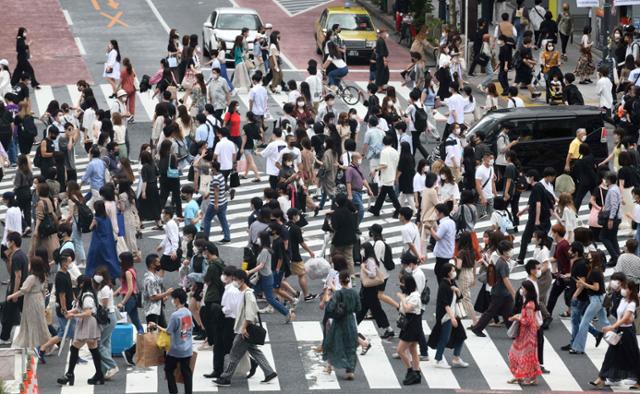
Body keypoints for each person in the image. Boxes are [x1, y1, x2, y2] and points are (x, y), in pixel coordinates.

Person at [214, 270, 278, 387]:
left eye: (235, 280)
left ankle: (225, 378)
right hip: (243, 328)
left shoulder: (248, 294)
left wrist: (243, 328)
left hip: (244, 329)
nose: (234, 282)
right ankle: (269, 372)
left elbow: (250, 313)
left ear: (242, 281)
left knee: (234, 353)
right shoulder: (242, 293)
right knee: (254, 350)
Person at [589, 281, 640, 389]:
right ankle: (601, 378)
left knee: (633, 357)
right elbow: (621, 317)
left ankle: (638, 381)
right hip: (620, 331)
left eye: (625, 288)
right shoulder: (622, 300)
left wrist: (611, 327)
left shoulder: (632, 303)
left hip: (628, 333)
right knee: (610, 355)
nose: (622, 290)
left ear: (630, 290)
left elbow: (626, 318)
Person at [56, 276, 105, 386]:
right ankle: (99, 374)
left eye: (79, 283)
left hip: (88, 322)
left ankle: (70, 374)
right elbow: (79, 308)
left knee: (75, 347)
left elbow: (87, 312)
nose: (77, 285)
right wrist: (69, 312)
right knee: (93, 348)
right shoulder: (85, 293)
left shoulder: (87, 296)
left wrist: (73, 315)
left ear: (82, 284)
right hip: (89, 322)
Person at [149, 288, 194, 394]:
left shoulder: (175, 315)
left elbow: (168, 331)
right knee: (186, 372)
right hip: (187, 349)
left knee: (169, 370)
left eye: (173, 299)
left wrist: (156, 325)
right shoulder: (188, 312)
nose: (172, 301)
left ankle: (173, 392)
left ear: (177, 300)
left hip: (175, 349)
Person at [470, 240, 516, 337]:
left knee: (507, 312)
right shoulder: (503, 264)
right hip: (500, 292)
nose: (512, 251)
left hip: (501, 292)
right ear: (504, 251)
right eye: (510, 250)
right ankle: (477, 328)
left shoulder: (501, 261)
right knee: (491, 312)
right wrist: (513, 292)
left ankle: (513, 332)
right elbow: (505, 280)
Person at [428, 262, 469, 369]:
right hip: (446, 316)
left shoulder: (452, 282)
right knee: (444, 338)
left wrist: (457, 290)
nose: (454, 272)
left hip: (454, 315)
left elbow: (459, 297)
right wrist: (452, 318)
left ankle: (456, 358)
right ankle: (438, 359)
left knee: (461, 336)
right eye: (453, 271)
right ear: (447, 273)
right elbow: (445, 304)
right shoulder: (443, 286)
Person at [570, 252, 610, 354]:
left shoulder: (595, 272)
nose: (587, 257)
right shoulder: (595, 270)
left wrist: (583, 283)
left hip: (596, 299)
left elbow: (596, 288)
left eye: (589, 256)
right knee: (604, 322)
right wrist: (584, 284)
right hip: (599, 299)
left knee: (584, 322)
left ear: (593, 259)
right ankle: (617, 341)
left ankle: (578, 348)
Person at [507, 281, 542, 386]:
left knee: (520, 354)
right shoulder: (527, 302)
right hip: (525, 333)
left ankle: (523, 377)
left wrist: (516, 318)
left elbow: (529, 321)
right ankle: (525, 377)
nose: (521, 290)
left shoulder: (530, 304)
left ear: (527, 290)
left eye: (522, 288)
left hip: (528, 334)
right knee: (527, 355)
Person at [0, 231, 33, 344]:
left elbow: (17, 276)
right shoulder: (21, 255)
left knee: (9, 314)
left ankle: (4, 338)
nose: (7, 243)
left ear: (13, 242)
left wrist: (14, 293)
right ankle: (4, 337)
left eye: (9, 241)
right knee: (13, 313)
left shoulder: (17, 257)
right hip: (22, 290)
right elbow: (13, 273)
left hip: (18, 291)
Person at [395, 274, 422, 385]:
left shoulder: (415, 296)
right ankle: (417, 372)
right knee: (413, 349)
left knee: (400, 350)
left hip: (412, 325)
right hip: (411, 324)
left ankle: (411, 371)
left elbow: (407, 309)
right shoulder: (409, 294)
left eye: (403, 283)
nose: (401, 285)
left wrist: (401, 298)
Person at [93, 266, 119, 380]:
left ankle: (112, 366)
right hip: (110, 317)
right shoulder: (106, 287)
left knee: (98, 344)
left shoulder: (104, 289)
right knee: (106, 343)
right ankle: (105, 370)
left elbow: (103, 305)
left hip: (107, 317)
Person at [368, 135, 401, 217]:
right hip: (392, 174)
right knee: (383, 194)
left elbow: (384, 165)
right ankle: (376, 209)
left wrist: (375, 170)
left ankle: (399, 209)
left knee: (390, 194)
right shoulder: (395, 151)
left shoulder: (384, 151)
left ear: (383, 142)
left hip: (386, 176)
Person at [86, 200, 119, 278]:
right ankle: (112, 274)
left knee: (94, 259)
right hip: (108, 241)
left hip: (98, 241)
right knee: (109, 258)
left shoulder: (96, 219)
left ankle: (93, 274)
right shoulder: (107, 217)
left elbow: (90, 228)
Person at [424, 204, 456, 282]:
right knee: (443, 272)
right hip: (448, 250)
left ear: (441, 213)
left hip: (443, 252)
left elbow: (437, 237)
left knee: (441, 273)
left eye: (436, 212)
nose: (435, 214)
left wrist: (430, 228)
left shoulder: (444, 224)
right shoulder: (451, 222)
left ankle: (446, 290)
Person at [601, 172, 622, 265]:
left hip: (612, 217)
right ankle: (617, 258)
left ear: (609, 180)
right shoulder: (615, 188)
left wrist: (610, 219)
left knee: (603, 237)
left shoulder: (612, 190)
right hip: (616, 217)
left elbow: (614, 205)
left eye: (606, 179)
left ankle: (615, 257)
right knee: (613, 238)